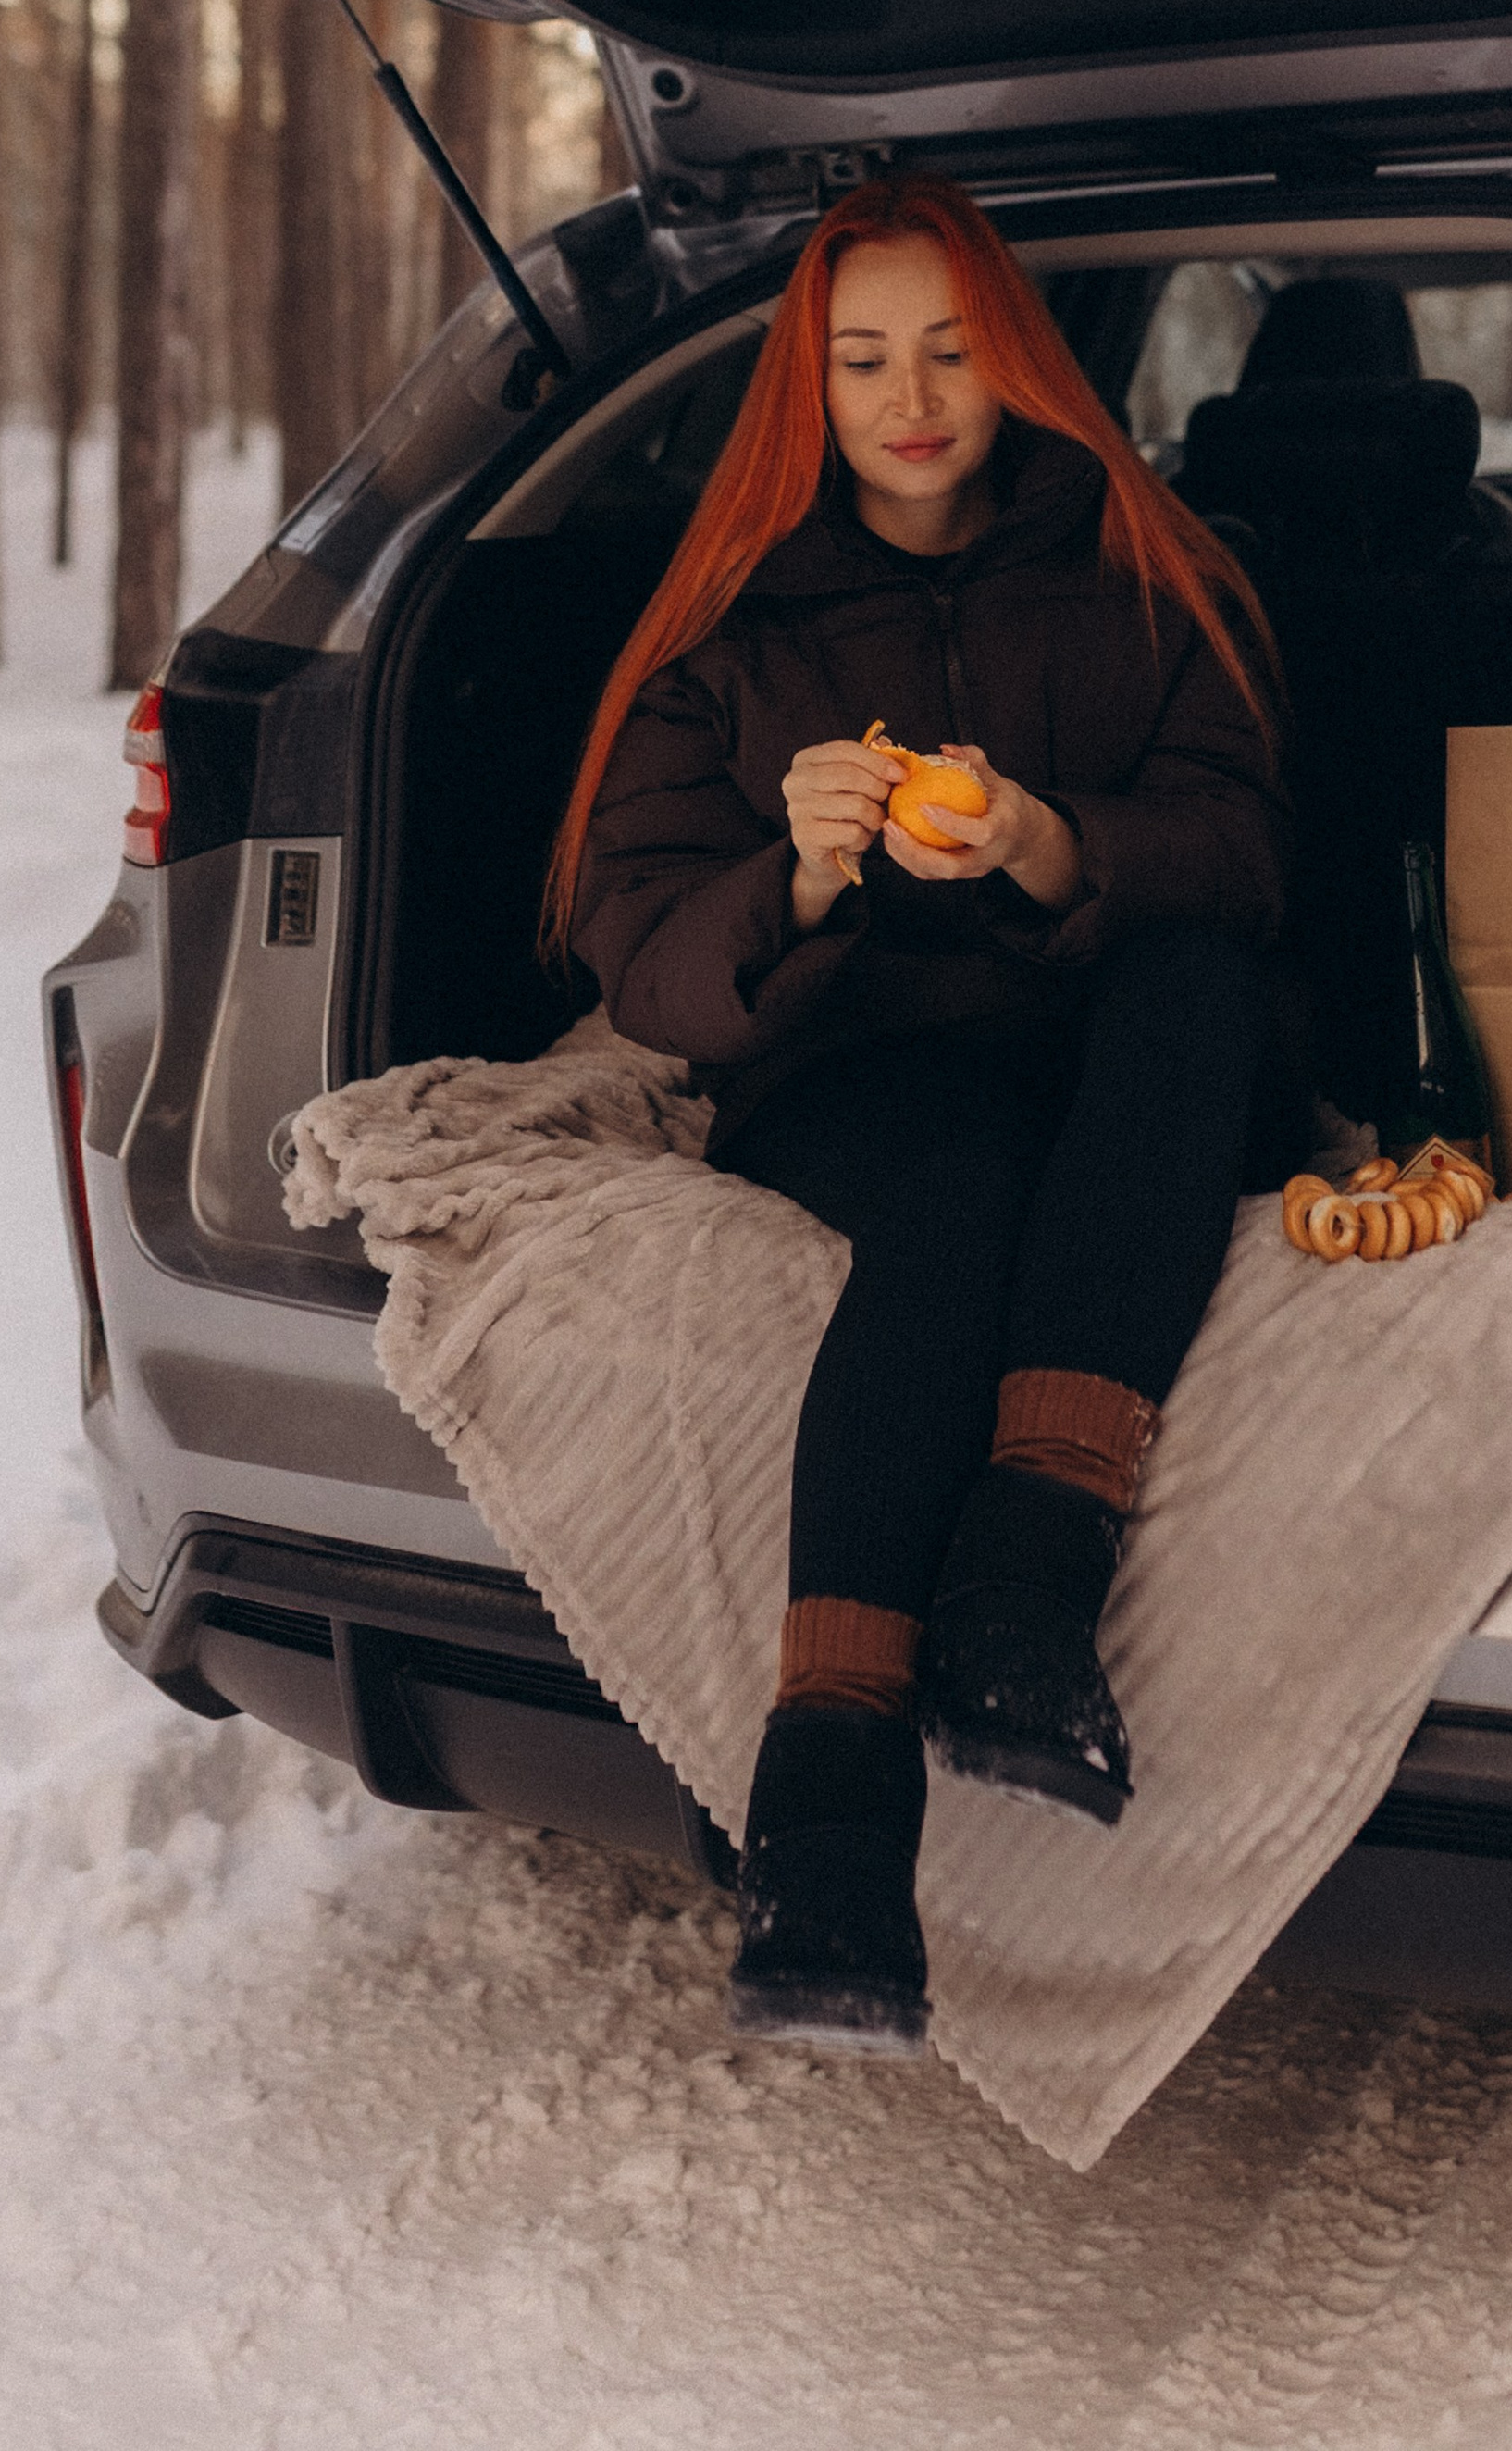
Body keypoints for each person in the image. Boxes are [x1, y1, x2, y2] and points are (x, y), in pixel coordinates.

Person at [544, 177, 1294, 2052]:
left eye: (949, 349)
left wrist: (1051, 842)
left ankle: (1022, 1599)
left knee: (1204, 990)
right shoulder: (727, 630)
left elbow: (1243, 856)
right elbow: (640, 954)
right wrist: (791, 886)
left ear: (1016, 362)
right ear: (807, 382)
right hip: (858, 1065)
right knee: (952, 1182)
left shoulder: (1144, 575)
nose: (909, 394)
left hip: (1105, 1038)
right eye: (861, 355)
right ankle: (828, 1824)